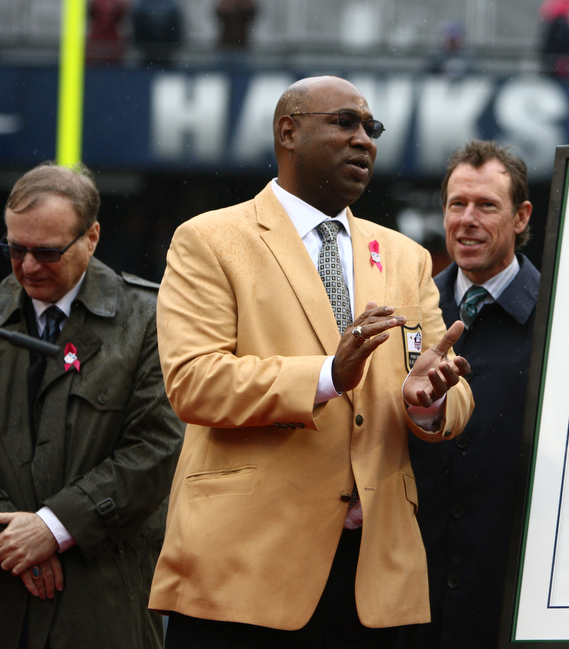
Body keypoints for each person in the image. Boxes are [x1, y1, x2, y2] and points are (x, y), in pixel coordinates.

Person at [148, 75, 475, 648]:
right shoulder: (209, 239)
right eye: (345, 123)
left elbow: (439, 374)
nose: (364, 141)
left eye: (371, 129)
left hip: (372, 580)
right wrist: (327, 376)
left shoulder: (405, 257)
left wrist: (430, 401)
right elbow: (193, 382)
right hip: (244, 572)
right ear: (288, 132)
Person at [0, 162, 184, 648]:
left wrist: (52, 527)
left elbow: (158, 449)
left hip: (101, 597)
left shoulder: (150, 319)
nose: (29, 267)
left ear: (93, 237)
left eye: (47, 252)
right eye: (15, 249)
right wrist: (13, 537)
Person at [407, 140, 536, 649]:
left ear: (522, 216)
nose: (467, 219)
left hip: (510, 596)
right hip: (412, 599)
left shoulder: (559, 315)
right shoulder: (406, 312)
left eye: (486, 205)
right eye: (457, 204)